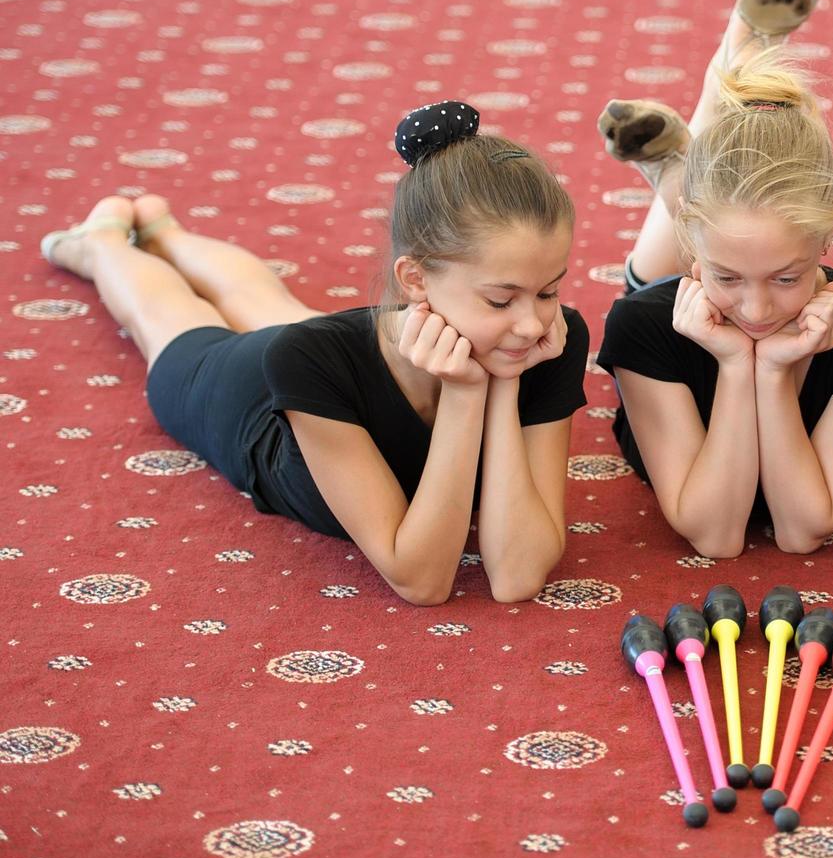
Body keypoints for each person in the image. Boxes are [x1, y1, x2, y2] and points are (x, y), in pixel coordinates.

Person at [40, 101, 588, 605]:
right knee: (166, 317)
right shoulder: (311, 361)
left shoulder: (541, 342)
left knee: (262, 298)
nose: (531, 323)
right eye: (500, 298)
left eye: (548, 291)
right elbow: (422, 580)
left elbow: (517, 575)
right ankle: (102, 244)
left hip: (377, 344)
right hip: (248, 398)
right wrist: (468, 392)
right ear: (416, 280)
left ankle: (165, 232)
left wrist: (504, 382)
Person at [593, 0, 833, 558]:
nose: (755, 308)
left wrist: (770, 370)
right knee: (647, 286)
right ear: (698, 254)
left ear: (826, 241)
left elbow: (803, 530)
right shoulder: (645, 327)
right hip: (674, 277)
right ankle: (708, 113)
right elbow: (715, 535)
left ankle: (679, 166)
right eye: (726, 277)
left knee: (711, 220)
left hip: (707, 225)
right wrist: (732, 361)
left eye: (786, 276)